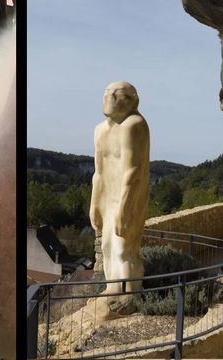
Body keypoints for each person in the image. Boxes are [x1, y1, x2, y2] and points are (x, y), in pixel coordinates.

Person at [89, 80, 150, 317]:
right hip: (107, 196)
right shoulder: (100, 130)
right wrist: (95, 204)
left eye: (117, 94)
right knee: (106, 246)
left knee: (125, 247)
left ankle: (130, 295)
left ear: (133, 100)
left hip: (129, 196)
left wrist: (125, 207)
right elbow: (99, 171)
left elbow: (133, 172)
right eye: (107, 93)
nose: (110, 98)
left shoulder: (134, 125)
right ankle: (112, 288)